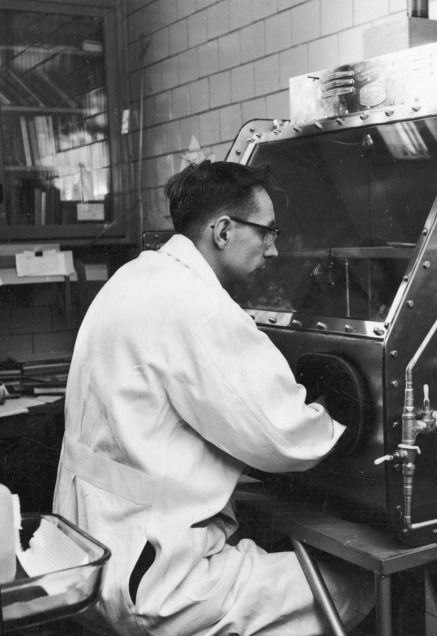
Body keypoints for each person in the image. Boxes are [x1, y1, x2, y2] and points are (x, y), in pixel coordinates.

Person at [52, 160, 374, 635]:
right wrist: (331, 412)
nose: (274, 247)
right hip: (161, 586)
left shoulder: (134, 279)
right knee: (354, 585)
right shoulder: (199, 308)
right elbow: (286, 437)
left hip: (91, 563)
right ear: (223, 230)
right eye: (266, 232)